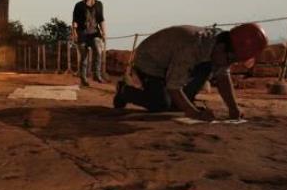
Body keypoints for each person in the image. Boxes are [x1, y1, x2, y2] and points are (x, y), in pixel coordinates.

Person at [112, 23, 268, 121]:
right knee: (161, 104)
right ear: (221, 48)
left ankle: (180, 104)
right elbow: (174, 86)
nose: (229, 64)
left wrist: (234, 108)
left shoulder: (221, 47)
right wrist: (194, 114)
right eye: (230, 60)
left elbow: (223, 76)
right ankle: (124, 91)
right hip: (151, 62)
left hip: (173, 63)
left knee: (181, 100)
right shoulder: (192, 47)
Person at [72, 0, 106, 87]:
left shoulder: (99, 4)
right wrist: (74, 33)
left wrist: (104, 33)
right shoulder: (78, 6)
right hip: (82, 34)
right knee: (84, 57)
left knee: (98, 50)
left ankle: (96, 74)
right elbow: (75, 22)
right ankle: (83, 79)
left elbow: (101, 20)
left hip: (95, 33)